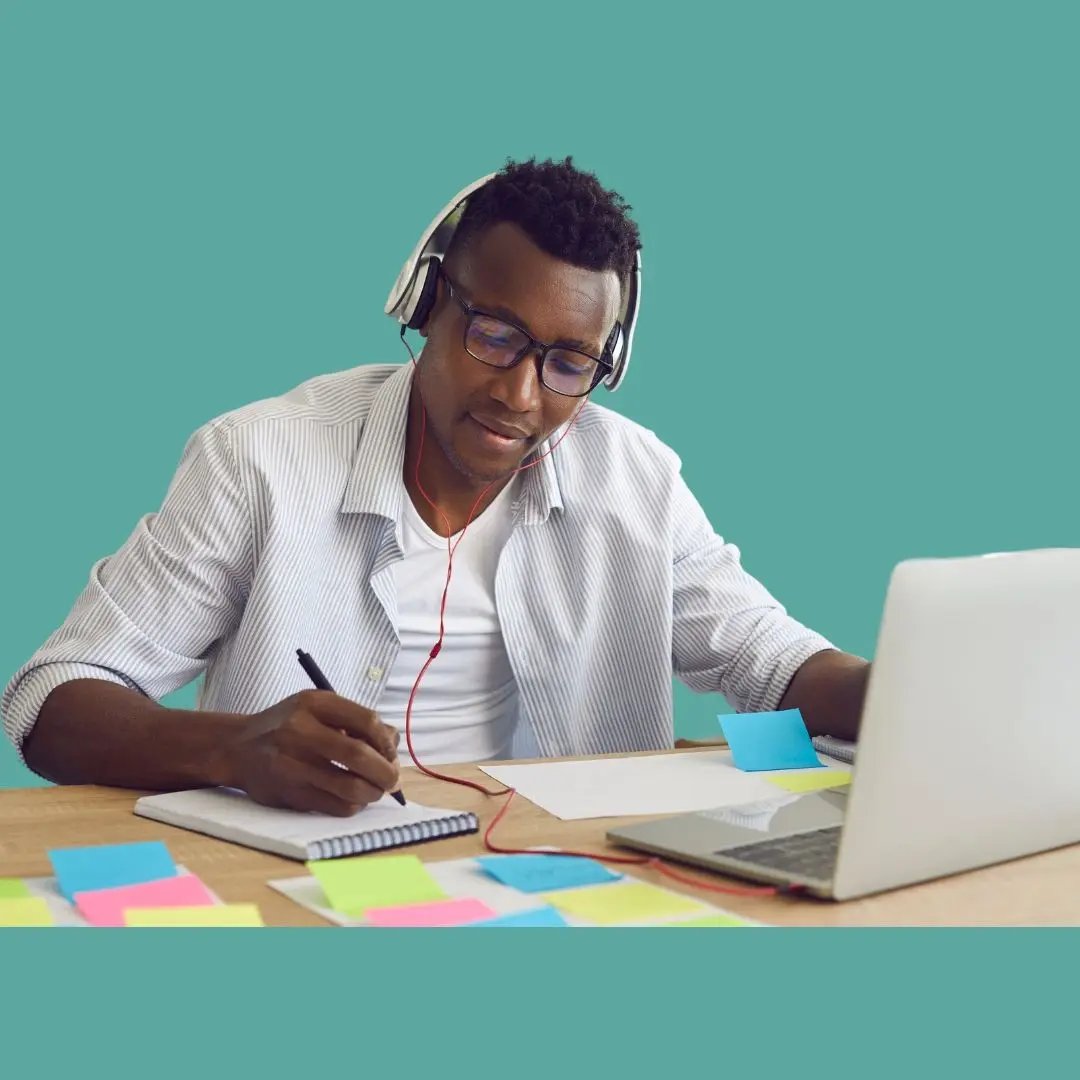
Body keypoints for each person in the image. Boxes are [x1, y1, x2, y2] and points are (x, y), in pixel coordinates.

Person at [1, 157, 869, 816]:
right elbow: (49, 701)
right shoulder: (260, 458)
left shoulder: (634, 479)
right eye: (494, 334)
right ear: (425, 304)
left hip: (557, 875)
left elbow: (770, 661)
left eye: (569, 364)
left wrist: (898, 692)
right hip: (308, 883)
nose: (520, 395)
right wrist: (233, 748)